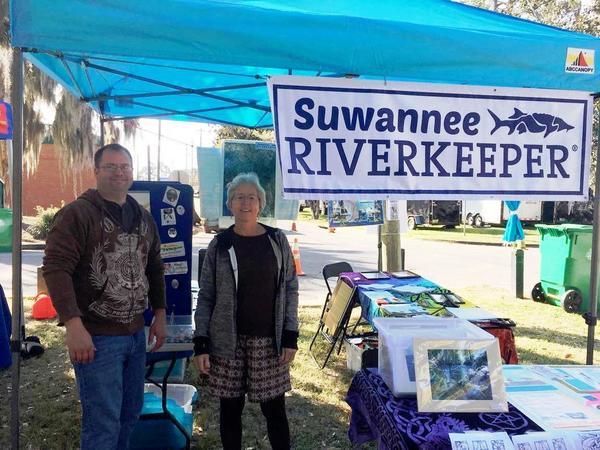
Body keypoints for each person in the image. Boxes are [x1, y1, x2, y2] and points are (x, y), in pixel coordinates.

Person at [43, 143, 167, 450]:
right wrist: (73, 325)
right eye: (111, 166)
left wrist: (160, 315)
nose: (119, 172)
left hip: (136, 335)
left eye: (124, 166)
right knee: (102, 424)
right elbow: (56, 269)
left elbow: (155, 267)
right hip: (97, 339)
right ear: (96, 171)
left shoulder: (142, 218)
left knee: (129, 416)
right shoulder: (77, 214)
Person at [193, 172, 299, 450]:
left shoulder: (277, 241)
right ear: (230, 203)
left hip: (268, 341)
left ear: (260, 203)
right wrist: (201, 343)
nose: (245, 202)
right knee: (230, 410)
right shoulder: (220, 245)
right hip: (228, 342)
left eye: (251, 197)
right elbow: (206, 297)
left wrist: (290, 334)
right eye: (239, 197)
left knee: (274, 410)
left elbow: (290, 289)